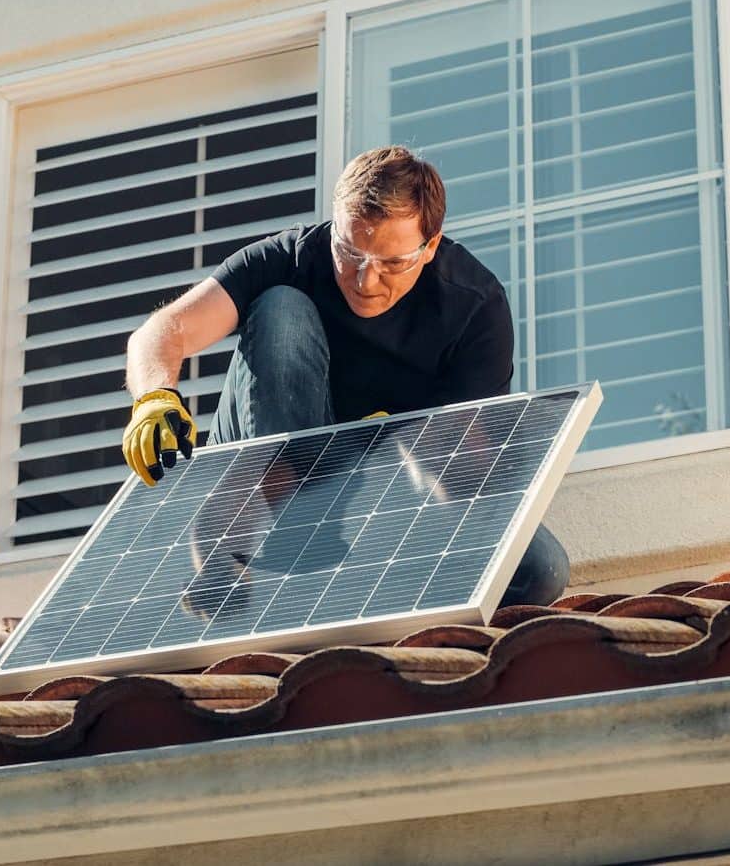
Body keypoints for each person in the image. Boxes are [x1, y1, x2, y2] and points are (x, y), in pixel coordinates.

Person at [120, 145, 569, 607]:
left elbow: (471, 481)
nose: (364, 280)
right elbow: (163, 331)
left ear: (431, 245)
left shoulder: (473, 308)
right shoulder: (291, 257)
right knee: (281, 306)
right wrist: (154, 397)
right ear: (334, 226)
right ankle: (261, 525)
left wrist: (418, 448)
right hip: (280, 471)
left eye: (392, 263)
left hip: (388, 492)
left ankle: (350, 554)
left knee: (538, 571)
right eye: (349, 251)